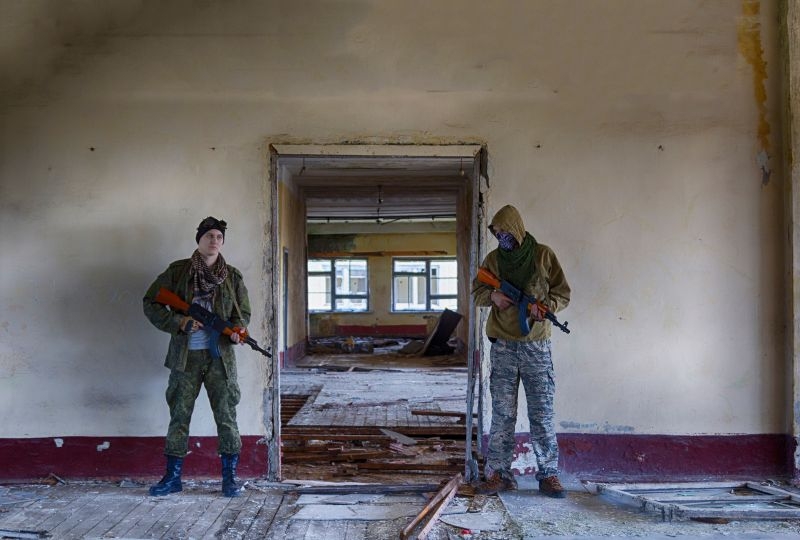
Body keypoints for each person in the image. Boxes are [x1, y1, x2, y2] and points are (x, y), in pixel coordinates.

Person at [143, 216, 251, 497]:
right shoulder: (178, 272)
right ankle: (172, 478)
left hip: (220, 359)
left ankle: (229, 479)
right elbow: (151, 301)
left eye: (218, 236)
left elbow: (243, 314)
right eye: (209, 236)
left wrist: (238, 331)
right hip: (185, 357)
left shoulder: (233, 278)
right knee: (179, 415)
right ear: (199, 240)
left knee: (226, 416)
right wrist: (179, 322)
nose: (214, 240)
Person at [471, 204, 571, 498]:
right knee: (502, 413)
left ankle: (548, 474)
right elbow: (476, 291)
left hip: (536, 345)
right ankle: (500, 474)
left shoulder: (543, 255)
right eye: (497, 233)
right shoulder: (493, 260)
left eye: (505, 232)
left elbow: (562, 293)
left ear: (517, 229)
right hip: (503, 345)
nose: (502, 238)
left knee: (542, 411)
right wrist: (493, 295)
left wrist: (546, 309)